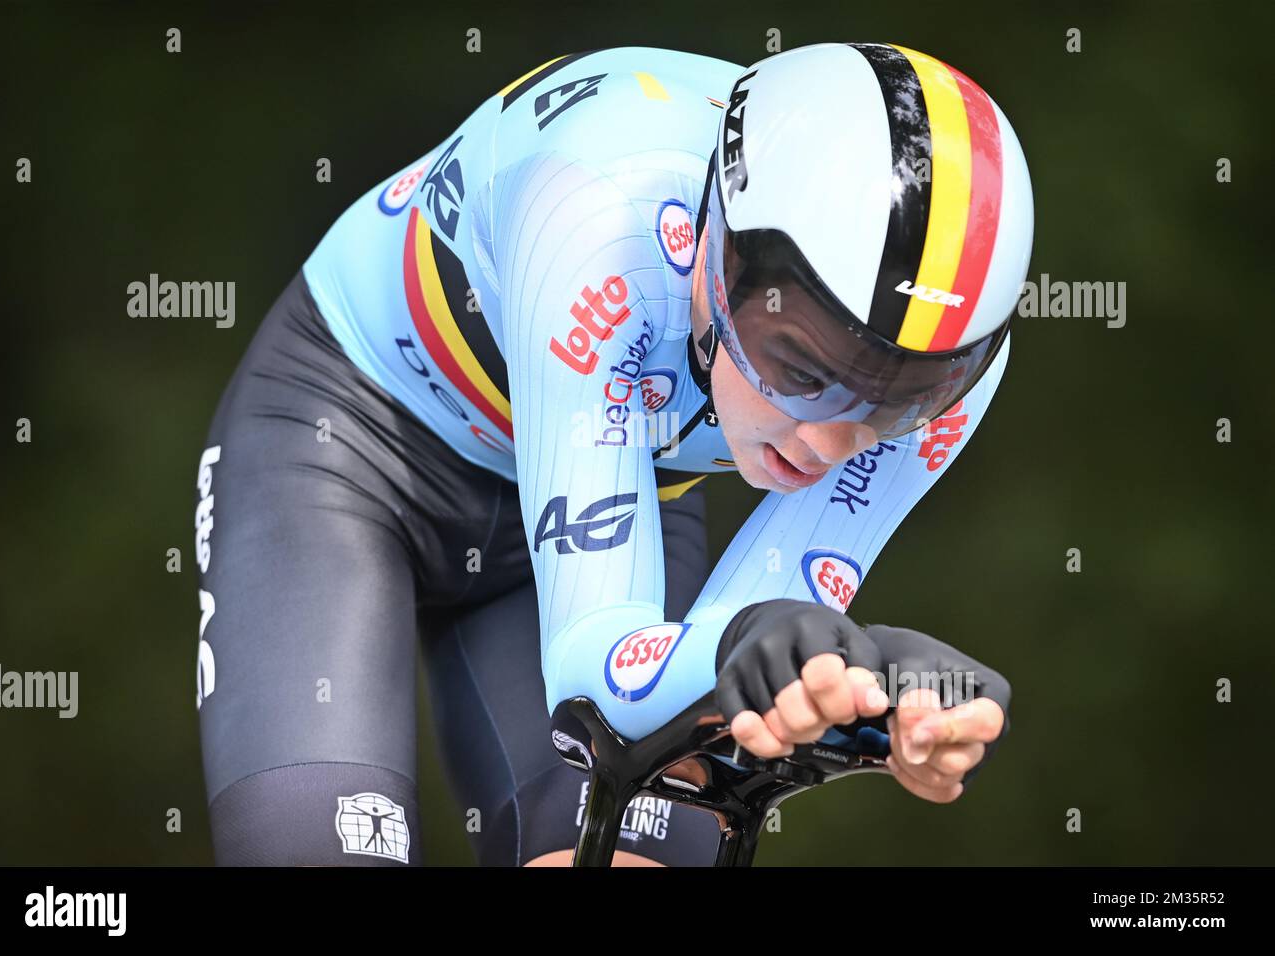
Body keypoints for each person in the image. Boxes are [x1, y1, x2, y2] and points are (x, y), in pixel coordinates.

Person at [194, 42, 1033, 867]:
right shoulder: (597, 218)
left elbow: (733, 679)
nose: (827, 441)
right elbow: (599, 673)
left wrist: (871, 694)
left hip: (611, 478)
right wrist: (759, 647)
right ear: (718, 248)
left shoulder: (957, 363)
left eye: (894, 404)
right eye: (801, 368)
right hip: (349, 445)